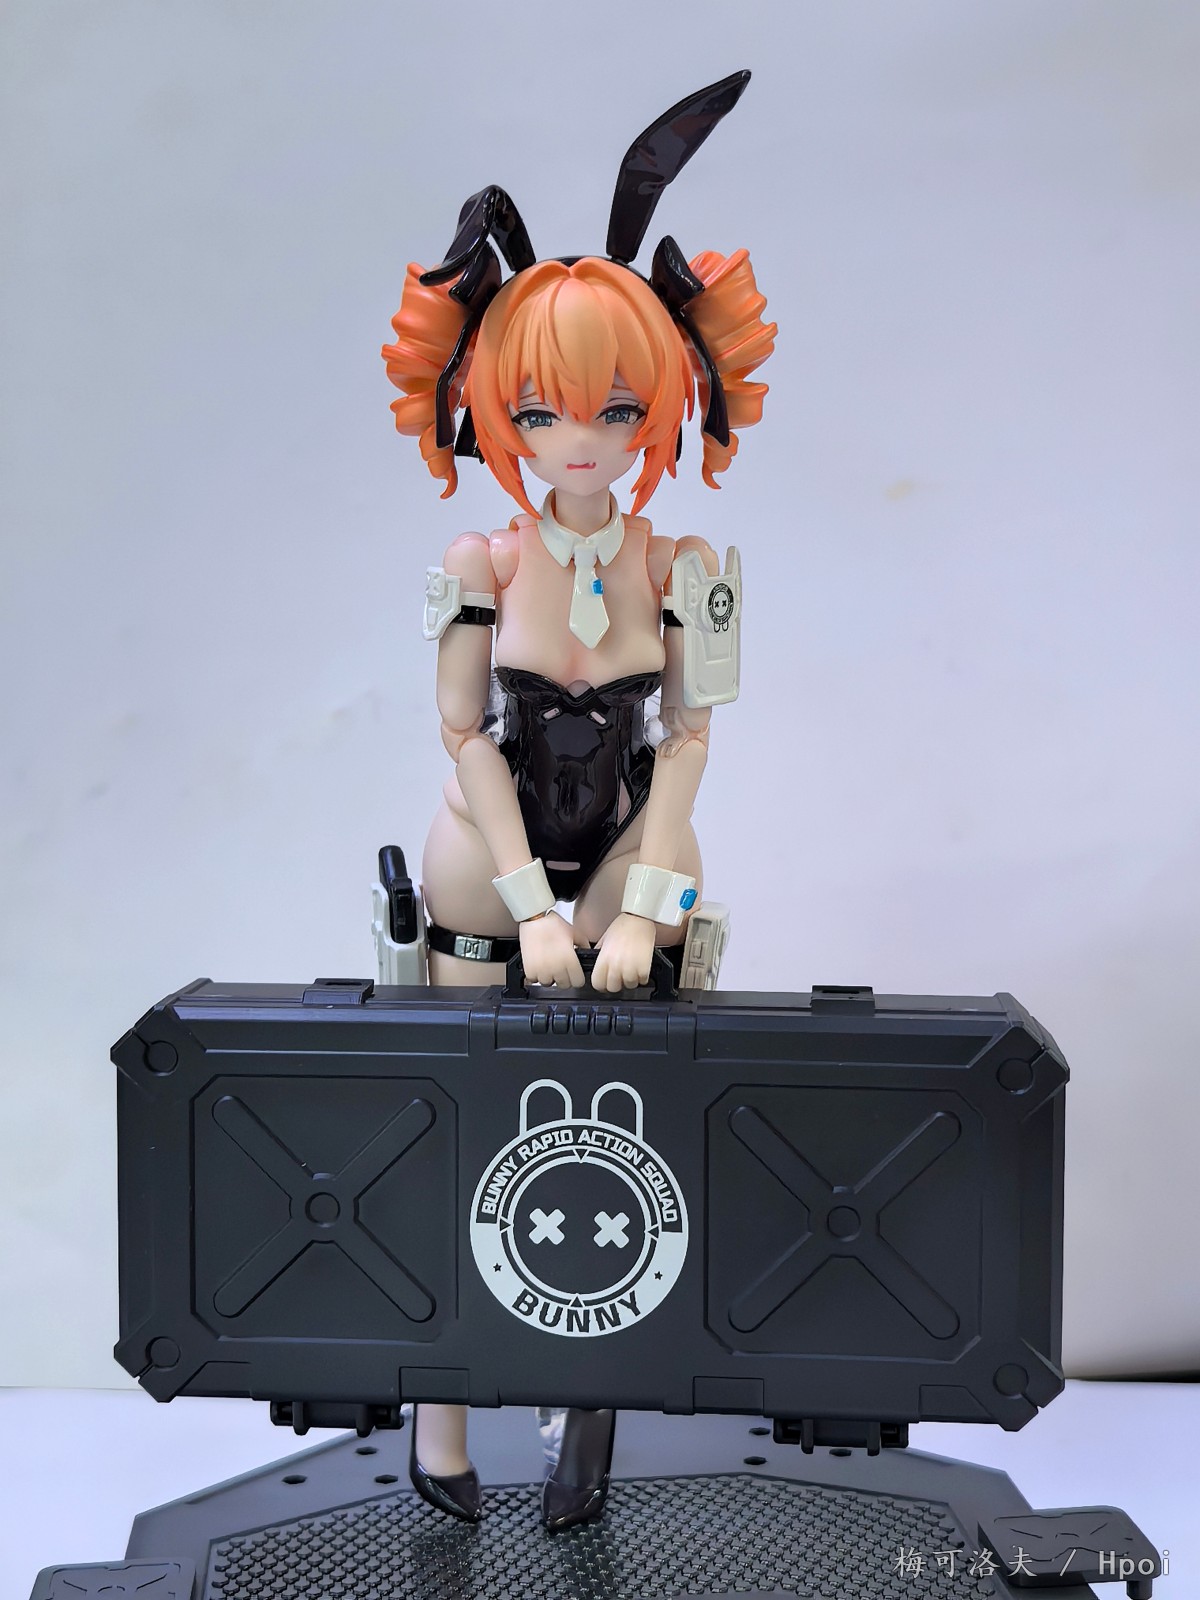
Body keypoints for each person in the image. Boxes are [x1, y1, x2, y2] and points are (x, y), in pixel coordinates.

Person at [381, 71, 775, 1531]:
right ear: (497, 411)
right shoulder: (480, 567)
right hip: (484, 859)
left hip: (634, 842)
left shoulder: (687, 568)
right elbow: (464, 736)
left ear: (667, 397)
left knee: (625, 1140)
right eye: (544, 410)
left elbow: (691, 744)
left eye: (615, 406)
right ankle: (439, 1424)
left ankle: (588, 1414)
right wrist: (534, 910)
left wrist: (640, 905)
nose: (582, 439)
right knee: (464, 1125)